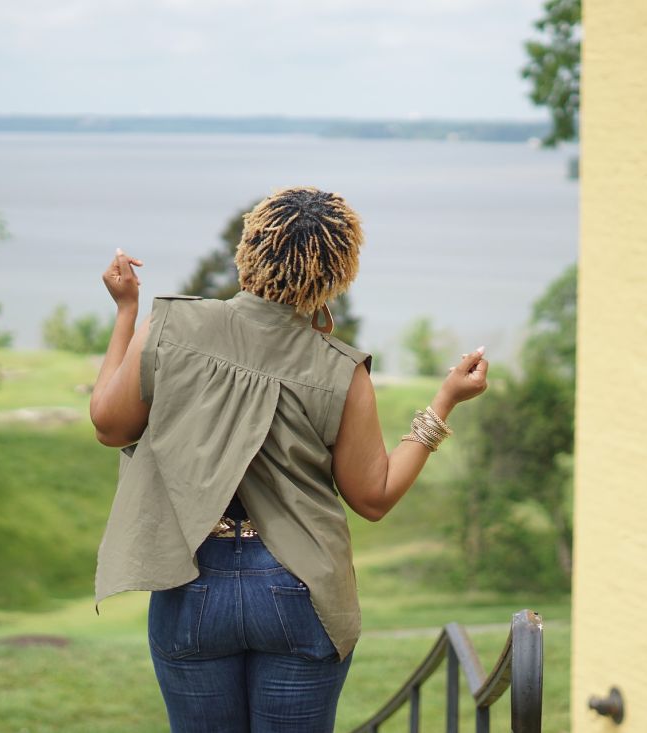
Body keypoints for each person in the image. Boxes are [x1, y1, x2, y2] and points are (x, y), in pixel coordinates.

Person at [89, 186, 490, 733]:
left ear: (249, 247)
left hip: (192, 581)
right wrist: (444, 402)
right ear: (337, 272)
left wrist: (126, 312)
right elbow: (372, 497)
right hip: (301, 586)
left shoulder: (170, 327)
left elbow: (109, 426)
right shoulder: (341, 371)